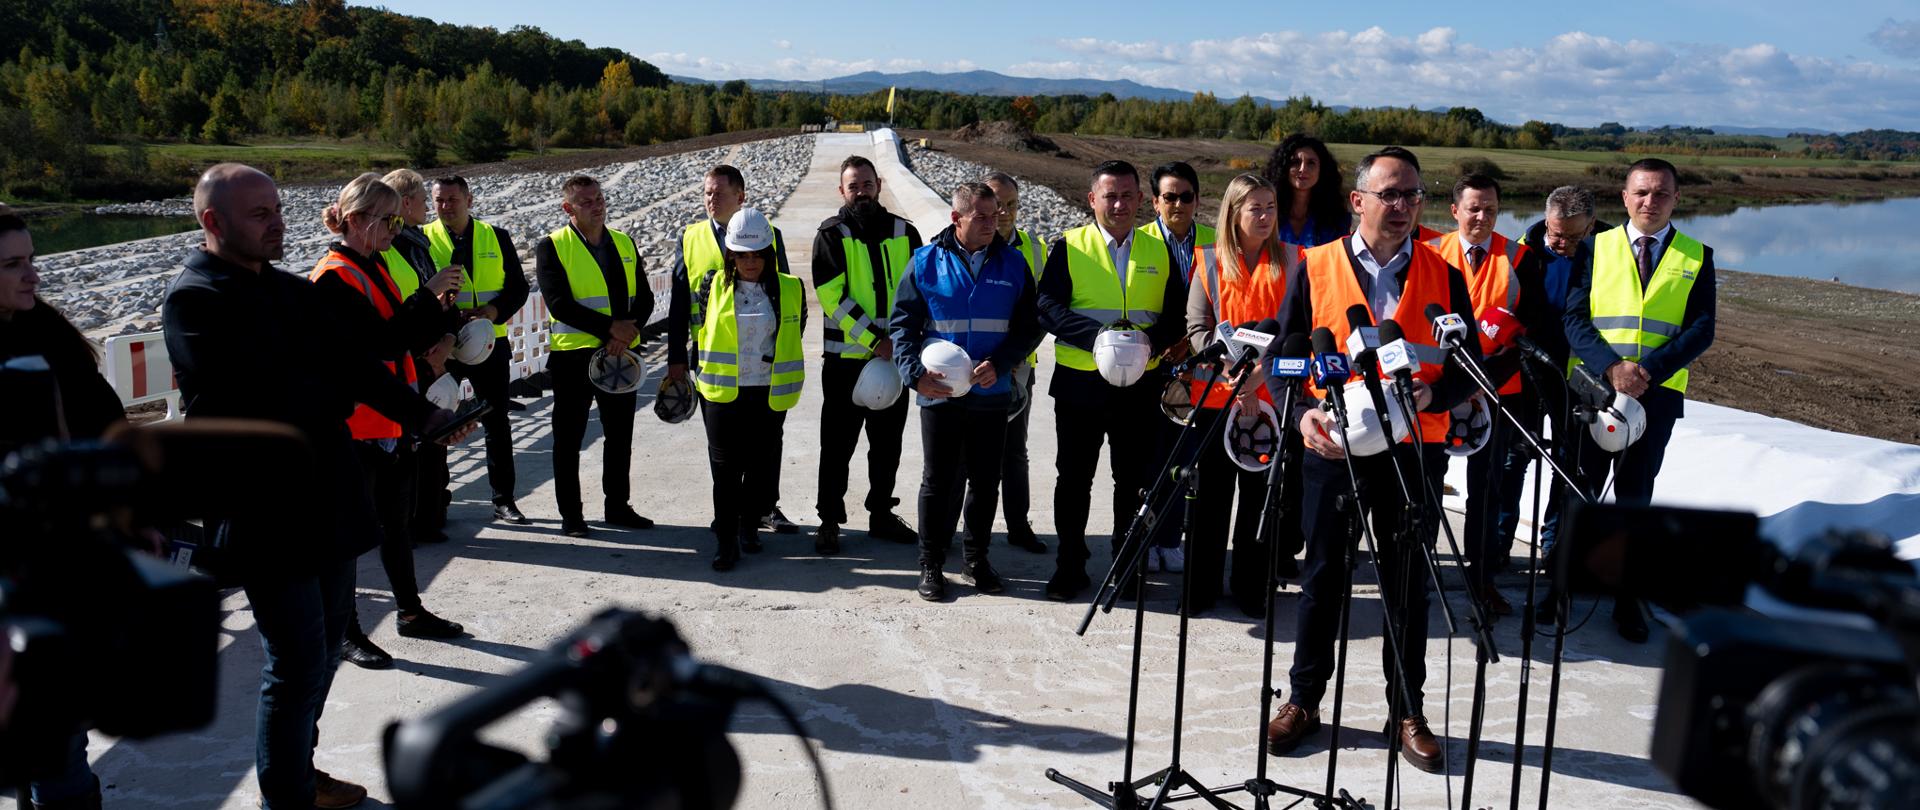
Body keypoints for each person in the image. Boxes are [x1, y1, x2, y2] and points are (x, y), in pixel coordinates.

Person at [163, 163, 470, 810]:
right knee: (295, 662)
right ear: (213, 221)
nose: (277, 223)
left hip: (327, 498)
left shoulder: (287, 290)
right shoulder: (197, 299)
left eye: (278, 209)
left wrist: (425, 416)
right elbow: (248, 401)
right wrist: (329, 392)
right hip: (267, 514)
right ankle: (288, 795)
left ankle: (300, 770)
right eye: (260, 214)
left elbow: (354, 365)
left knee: (326, 648)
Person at [1265, 147, 1481, 774]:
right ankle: (1304, 700)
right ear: (1358, 201)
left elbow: (1467, 363)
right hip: (1333, 448)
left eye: (1412, 194)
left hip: (1413, 452)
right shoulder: (1316, 265)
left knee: (1407, 584)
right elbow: (1282, 356)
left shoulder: (1445, 273)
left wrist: (1435, 394)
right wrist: (1298, 413)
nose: (1403, 205)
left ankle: (1407, 711)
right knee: (1322, 578)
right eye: (1389, 194)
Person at [310, 174, 467, 672]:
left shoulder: (372, 265)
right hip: (356, 426)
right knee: (351, 536)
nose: (397, 231)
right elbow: (378, 344)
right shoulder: (333, 277)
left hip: (392, 420)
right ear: (357, 220)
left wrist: (438, 318)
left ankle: (410, 611)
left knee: (397, 525)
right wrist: (427, 294)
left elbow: (399, 334)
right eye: (389, 221)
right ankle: (346, 631)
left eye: (399, 221)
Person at [1564, 158, 1716, 643]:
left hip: (1656, 395)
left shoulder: (1697, 255)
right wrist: (1613, 369)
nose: (1651, 201)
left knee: (1635, 498)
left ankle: (1627, 601)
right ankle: (1561, 590)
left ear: (1677, 198)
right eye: (1642, 192)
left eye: (1662, 193)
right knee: (1579, 492)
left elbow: (1701, 329)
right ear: (1625, 197)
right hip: (1593, 389)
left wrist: (1646, 372)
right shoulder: (1595, 247)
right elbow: (1574, 319)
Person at [0, 210, 123, 810]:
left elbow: (105, 424)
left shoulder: (47, 333)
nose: (33, 275)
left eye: (32, 259)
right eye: (13, 265)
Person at [1036, 160, 1189, 602]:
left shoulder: (1158, 250)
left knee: (1134, 482)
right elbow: (1046, 306)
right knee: (1074, 480)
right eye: (1110, 196)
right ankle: (1070, 566)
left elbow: (1176, 313)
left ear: (1141, 200)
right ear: (1092, 200)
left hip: (1140, 387)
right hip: (1081, 385)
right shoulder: (1070, 246)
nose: (1119, 205)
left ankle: (1128, 565)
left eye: (1127, 196)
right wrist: (1099, 338)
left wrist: (1149, 343)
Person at [892, 182, 1044, 601]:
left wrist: (1002, 362)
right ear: (956, 219)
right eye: (981, 217)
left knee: (985, 480)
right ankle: (931, 563)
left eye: (996, 215)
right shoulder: (925, 261)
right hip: (939, 393)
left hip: (991, 394)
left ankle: (976, 559)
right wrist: (913, 375)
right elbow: (902, 325)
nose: (992, 223)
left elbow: (1030, 326)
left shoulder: (1013, 263)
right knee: (937, 481)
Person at [1425, 173, 1550, 618]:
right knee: (1426, 483)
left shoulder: (1520, 258)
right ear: (1454, 210)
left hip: (1498, 392)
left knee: (1487, 491)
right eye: (1473, 208)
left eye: (1491, 209)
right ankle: (1418, 572)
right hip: (1436, 391)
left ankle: (1482, 582)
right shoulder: (1428, 254)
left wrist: (1482, 380)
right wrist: (1452, 384)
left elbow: (1531, 331)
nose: (1482, 217)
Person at [1183, 173, 1306, 615]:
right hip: (1217, 399)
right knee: (1210, 501)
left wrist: (1256, 377)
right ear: (1234, 213)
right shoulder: (1209, 260)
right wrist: (1233, 372)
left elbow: (1298, 329)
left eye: (1271, 207)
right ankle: (1200, 588)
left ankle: (1252, 588)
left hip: (1271, 400)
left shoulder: (1294, 259)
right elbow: (1197, 327)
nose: (1266, 216)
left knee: (1261, 501)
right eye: (1256, 208)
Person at [668, 164, 802, 539]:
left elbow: (786, 300)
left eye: (720, 193)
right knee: (724, 450)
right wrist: (676, 358)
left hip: (763, 366)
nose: (712, 199)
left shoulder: (767, 234)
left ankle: (762, 508)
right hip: (713, 361)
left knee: (765, 447)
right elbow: (679, 302)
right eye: (707, 193)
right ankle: (729, 515)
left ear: (740, 197)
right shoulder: (691, 237)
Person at [534, 174, 656, 538]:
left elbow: (645, 297)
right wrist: (611, 330)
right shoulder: (552, 247)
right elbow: (559, 304)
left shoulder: (623, 242)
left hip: (621, 356)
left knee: (619, 435)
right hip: (573, 359)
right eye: (586, 202)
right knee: (568, 439)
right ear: (567, 208)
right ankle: (571, 515)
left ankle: (617, 506)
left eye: (599, 198)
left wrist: (628, 331)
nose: (596, 206)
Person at [812, 155, 921, 549]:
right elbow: (832, 297)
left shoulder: (905, 233)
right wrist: (876, 340)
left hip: (893, 362)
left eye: (867, 184)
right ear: (842, 191)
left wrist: (903, 344)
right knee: (836, 446)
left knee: (887, 446)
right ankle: (829, 520)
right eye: (853, 186)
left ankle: (881, 513)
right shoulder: (831, 234)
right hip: (846, 363)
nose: (861, 192)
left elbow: (919, 290)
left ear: (879, 186)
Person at [690, 206, 806, 571]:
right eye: (742, 255)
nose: (750, 262)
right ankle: (727, 542)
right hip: (722, 392)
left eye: (757, 255)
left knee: (759, 468)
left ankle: (749, 527)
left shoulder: (791, 288)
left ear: (769, 253)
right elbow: (701, 329)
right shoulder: (711, 286)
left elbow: (795, 330)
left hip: (768, 392)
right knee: (725, 472)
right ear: (731, 254)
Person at [425, 175, 531, 525]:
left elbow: (519, 287)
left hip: (488, 343)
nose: (446, 206)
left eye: (453, 199)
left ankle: (504, 500)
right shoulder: (423, 239)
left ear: (469, 200)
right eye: (439, 200)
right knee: (434, 423)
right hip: (442, 346)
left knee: (497, 423)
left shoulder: (495, 236)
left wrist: (493, 311)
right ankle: (435, 504)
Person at [1520, 187, 1604, 627]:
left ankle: (1553, 553)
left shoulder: (1610, 251)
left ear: (1591, 226)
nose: (1562, 243)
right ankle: (1496, 553)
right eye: (1556, 234)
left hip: (1581, 379)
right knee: (1513, 459)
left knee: (1571, 468)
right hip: (1529, 371)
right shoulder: (1525, 249)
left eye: (1573, 236)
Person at [1141, 161, 1216, 574]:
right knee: (1148, 459)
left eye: (1186, 196)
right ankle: (1145, 539)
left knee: (1184, 459)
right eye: (1169, 197)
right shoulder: (1140, 242)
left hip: (1199, 367)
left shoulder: (1214, 243)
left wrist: (1192, 343)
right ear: (1155, 202)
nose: (1178, 204)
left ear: (1197, 200)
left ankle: (1170, 539)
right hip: (1151, 366)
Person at [382, 168, 463, 546]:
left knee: (433, 444)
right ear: (406, 202)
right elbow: (402, 310)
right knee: (418, 448)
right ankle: (416, 520)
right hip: (412, 360)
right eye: (423, 199)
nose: (431, 207)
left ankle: (430, 514)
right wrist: (428, 351)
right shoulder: (396, 248)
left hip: (429, 355)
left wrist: (447, 337)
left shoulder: (417, 244)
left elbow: (434, 303)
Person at [980, 171, 1050, 555]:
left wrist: (1015, 356)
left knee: (1014, 451)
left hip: (1019, 369)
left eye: (1011, 205)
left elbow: (1043, 312)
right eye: (997, 204)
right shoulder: (968, 244)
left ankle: (1018, 525)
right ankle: (965, 529)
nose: (1004, 213)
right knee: (969, 452)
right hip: (974, 367)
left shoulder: (1035, 250)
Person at [1263, 134, 1350, 248]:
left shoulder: (1337, 220)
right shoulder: (1266, 214)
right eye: (1295, 162)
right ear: (1284, 168)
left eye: (1311, 163)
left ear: (1322, 169)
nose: (1302, 169)